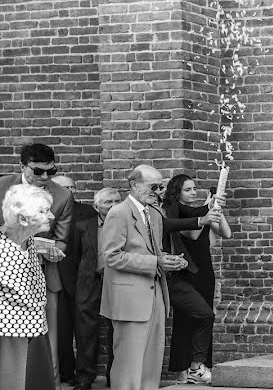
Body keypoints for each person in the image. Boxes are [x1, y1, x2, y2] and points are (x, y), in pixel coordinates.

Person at [100, 165, 187, 390]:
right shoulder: (118, 212)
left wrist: (171, 260)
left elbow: (153, 253)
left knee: (152, 361)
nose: (158, 191)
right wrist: (155, 262)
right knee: (128, 363)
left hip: (155, 293)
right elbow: (111, 257)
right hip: (128, 298)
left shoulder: (155, 213)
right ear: (134, 185)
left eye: (160, 186)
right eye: (153, 186)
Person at [0, 143, 73, 390]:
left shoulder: (62, 196)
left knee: (42, 348)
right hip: (11, 313)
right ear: (22, 166)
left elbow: (61, 240)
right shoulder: (2, 185)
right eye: (38, 171)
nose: (44, 177)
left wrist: (49, 249)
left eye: (50, 172)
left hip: (40, 276)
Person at [164, 175, 231, 384]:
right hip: (186, 274)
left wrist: (216, 207)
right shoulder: (180, 214)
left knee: (204, 319)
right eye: (187, 190)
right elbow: (192, 235)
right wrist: (206, 211)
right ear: (178, 193)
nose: (193, 192)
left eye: (194, 189)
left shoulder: (204, 213)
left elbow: (226, 233)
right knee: (185, 322)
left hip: (205, 273)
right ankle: (182, 372)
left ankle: (200, 365)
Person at [0, 184, 56, 390]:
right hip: (9, 334)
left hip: (35, 328)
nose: (50, 216)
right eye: (43, 211)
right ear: (23, 219)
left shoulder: (28, 241)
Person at [70, 187, 120, 390]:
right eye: (109, 202)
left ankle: (115, 375)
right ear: (96, 206)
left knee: (116, 330)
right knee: (85, 332)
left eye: (117, 201)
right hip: (90, 283)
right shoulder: (82, 226)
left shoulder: (126, 224)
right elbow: (75, 256)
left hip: (116, 283)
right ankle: (85, 377)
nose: (114, 205)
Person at [51, 174, 96, 386]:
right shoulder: (46, 212)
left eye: (72, 187)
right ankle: (65, 373)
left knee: (86, 331)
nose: (69, 191)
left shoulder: (87, 212)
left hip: (85, 280)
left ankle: (85, 375)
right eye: (64, 187)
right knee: (60, 331)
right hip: (56, 280)